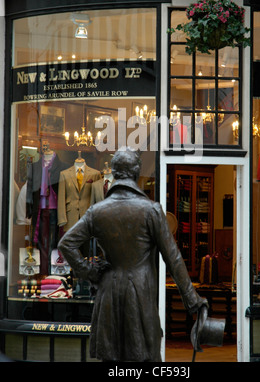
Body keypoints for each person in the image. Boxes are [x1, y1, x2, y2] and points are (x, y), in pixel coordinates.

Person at [58, 147, 207, 362]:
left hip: (108, 291)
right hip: (140, 294)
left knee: (112, 360)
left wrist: (89, 271)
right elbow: (173, 258)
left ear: (115, 173)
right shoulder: (151, 210)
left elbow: (66, 244)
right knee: (143, 358)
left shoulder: (97, 211)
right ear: (137, 172)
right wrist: (193, 301)